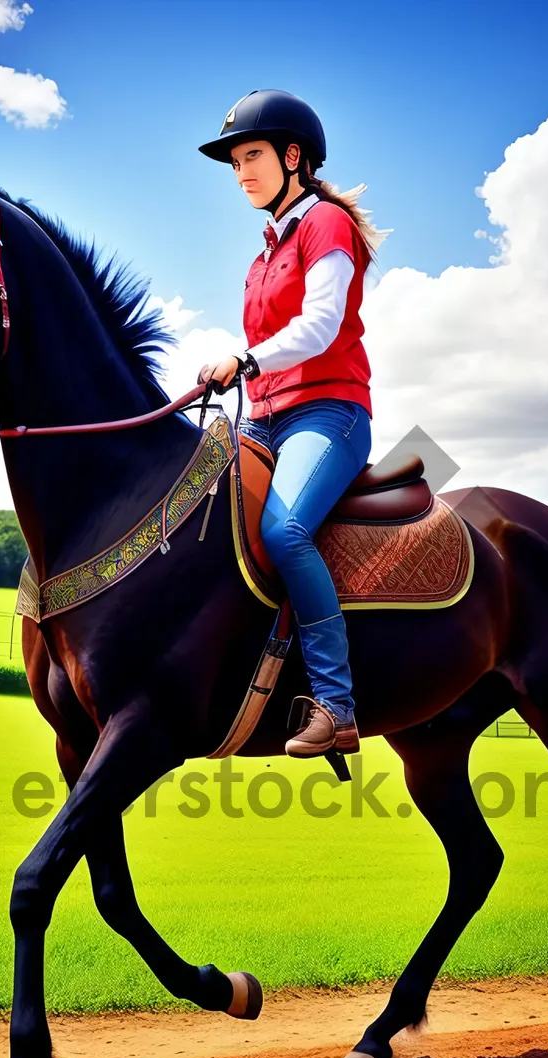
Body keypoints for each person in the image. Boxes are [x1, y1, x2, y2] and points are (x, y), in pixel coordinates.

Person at [197, 89, 388, 758]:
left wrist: (242, 357)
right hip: (264, 419)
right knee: (199, 512)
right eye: (234, 163)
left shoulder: (325, 224)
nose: (242, 172)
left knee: (283, 529)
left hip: (328, 412)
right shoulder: (261, 256)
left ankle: (336, 706)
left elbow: (321, 326)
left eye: (252, 156)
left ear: (293, 156)